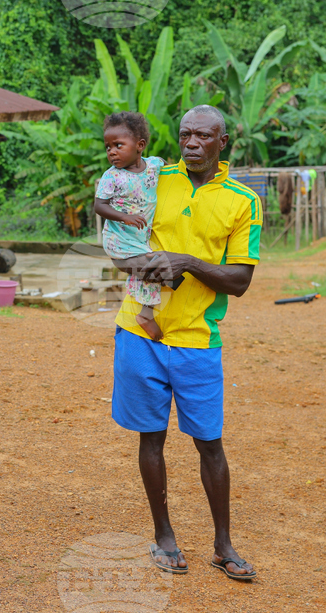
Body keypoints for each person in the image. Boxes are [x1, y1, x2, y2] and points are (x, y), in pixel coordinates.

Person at [110, 105, 261, 581]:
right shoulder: (152, 180)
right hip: (140, 331)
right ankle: (164, 537)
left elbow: (239, 280)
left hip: (199, 339)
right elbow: (119, 243)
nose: (192, 143)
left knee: (210, 445)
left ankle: (223, 545)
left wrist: (189, 263)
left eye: (203, 136)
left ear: (224, 142)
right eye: (185, 135)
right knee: (150, 438)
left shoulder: (243, 201)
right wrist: (146, 264)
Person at [93, 111, 170, 341]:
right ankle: (146, 314)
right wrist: (124, 217)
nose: (112, 152)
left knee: (150, 270)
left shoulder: (155, 165)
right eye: (108, 147)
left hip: (140, 239)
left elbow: (171, 170)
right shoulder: (112, 177)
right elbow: (99, 206)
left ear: (140, 145)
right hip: (119, 240)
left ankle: (145, 312)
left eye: (118, 145)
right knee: (156, 269)